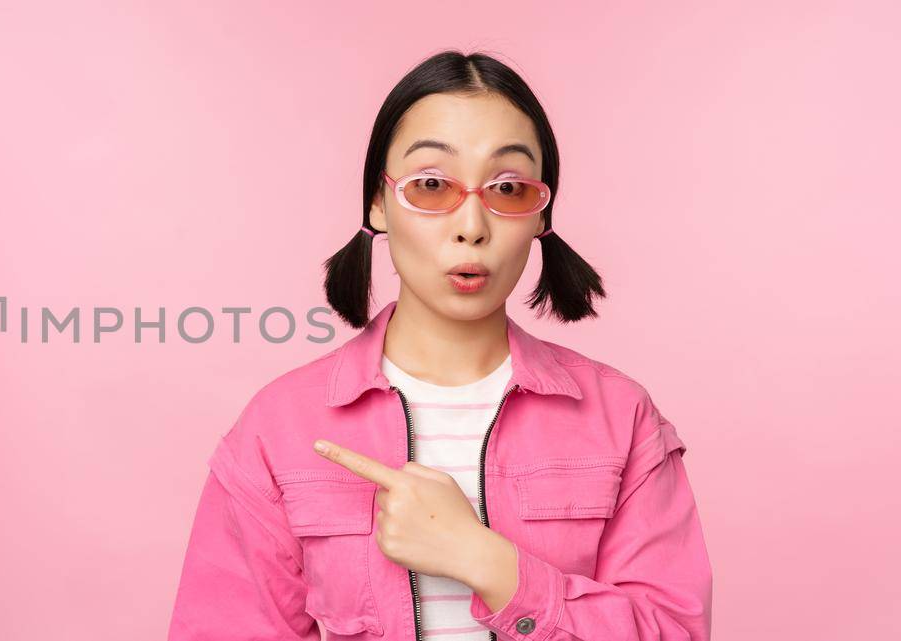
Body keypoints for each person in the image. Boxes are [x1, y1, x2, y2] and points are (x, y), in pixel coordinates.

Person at [166, 50, 712, 641]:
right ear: (378, 202)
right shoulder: (280, 427)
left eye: (507, 187)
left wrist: (486, 562)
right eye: (430, 184)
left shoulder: (620, 417)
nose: (471, 225)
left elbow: (673, 631)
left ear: (540, 214)